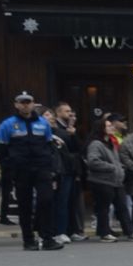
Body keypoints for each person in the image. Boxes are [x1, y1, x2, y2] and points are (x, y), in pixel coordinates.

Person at [0, 92, 62, 252]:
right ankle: (28, 240)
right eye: (22, 102)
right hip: (21, 170)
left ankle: (47, 239)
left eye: (28, 102)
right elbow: (0, 150)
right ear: (16, 105)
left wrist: (52, 168)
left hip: (42, 168)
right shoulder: (8, 124)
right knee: (24, 205)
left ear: (33, 104)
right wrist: (9, 168)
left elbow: (49, 146)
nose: (25, 105)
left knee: (46, 201)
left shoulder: (43, 123)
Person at [85, 115, 126, 241]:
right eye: (108, 126)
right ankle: (104, 232)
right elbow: (93, 161)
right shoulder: (96, 143)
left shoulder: (110, 142)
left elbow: (117, 159)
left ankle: (109, 230)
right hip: (101, 180)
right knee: (104, 208)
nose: (111, 127)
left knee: (118, 206)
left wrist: (120, 167)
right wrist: (112, 167)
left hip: (114, 179)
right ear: (101, 128)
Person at [50, 101, 86, 243]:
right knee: (62, 201)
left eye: (70, 111)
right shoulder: (56, 129)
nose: (70, 113)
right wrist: (69, 132)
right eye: (66, 111)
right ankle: (60, 231)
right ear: (58, 113)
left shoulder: (70, 128)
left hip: (72, 168)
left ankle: (72, 230)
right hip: (62, 169)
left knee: (72, 202)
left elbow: (79, 148)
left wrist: (72, 131)